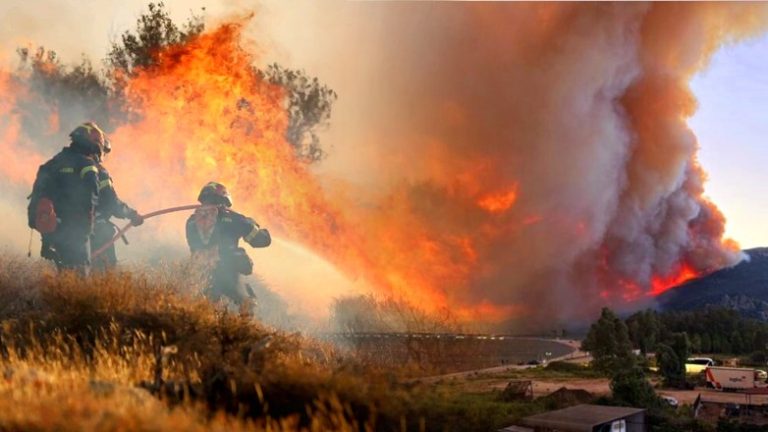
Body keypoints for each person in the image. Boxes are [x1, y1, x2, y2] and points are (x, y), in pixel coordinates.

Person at [27, 122, 105, 274]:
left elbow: (39, 198)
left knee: (63, 274)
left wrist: (46, 238)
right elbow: (91, 196)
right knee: (80, 276)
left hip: (51, 230)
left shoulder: (52, 164)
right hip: (75, 230)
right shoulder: (86, 164)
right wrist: (87, 229)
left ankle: (59, 296)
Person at [185, 182, 271, 309]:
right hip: (227, 273)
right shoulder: (234, 219)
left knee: (205, 309)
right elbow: (261, 241)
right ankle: (242, 324)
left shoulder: (191, 221)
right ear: (224, 200)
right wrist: (253, 225)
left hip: (200, 274)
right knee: (248, 303)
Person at [90, 138, 144, 271]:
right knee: (104, 272)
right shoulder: (98, 171)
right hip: (96, 231)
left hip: (66, 231)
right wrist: (132, 214)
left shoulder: (64, 166)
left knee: (71, 272)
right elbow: (112, 203)